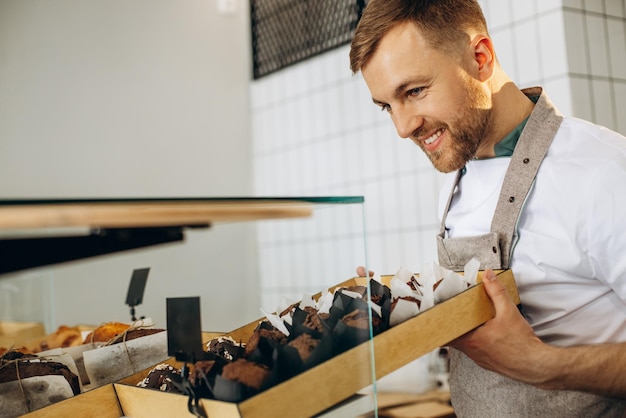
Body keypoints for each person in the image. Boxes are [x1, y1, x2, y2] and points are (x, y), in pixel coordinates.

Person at [349, 0, 626, 416]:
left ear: (481, 58)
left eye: (415, 91)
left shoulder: (603, 171)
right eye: (388, 105)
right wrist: (406, 308)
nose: (403, 127)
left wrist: (543, 366)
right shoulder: (455, 174)